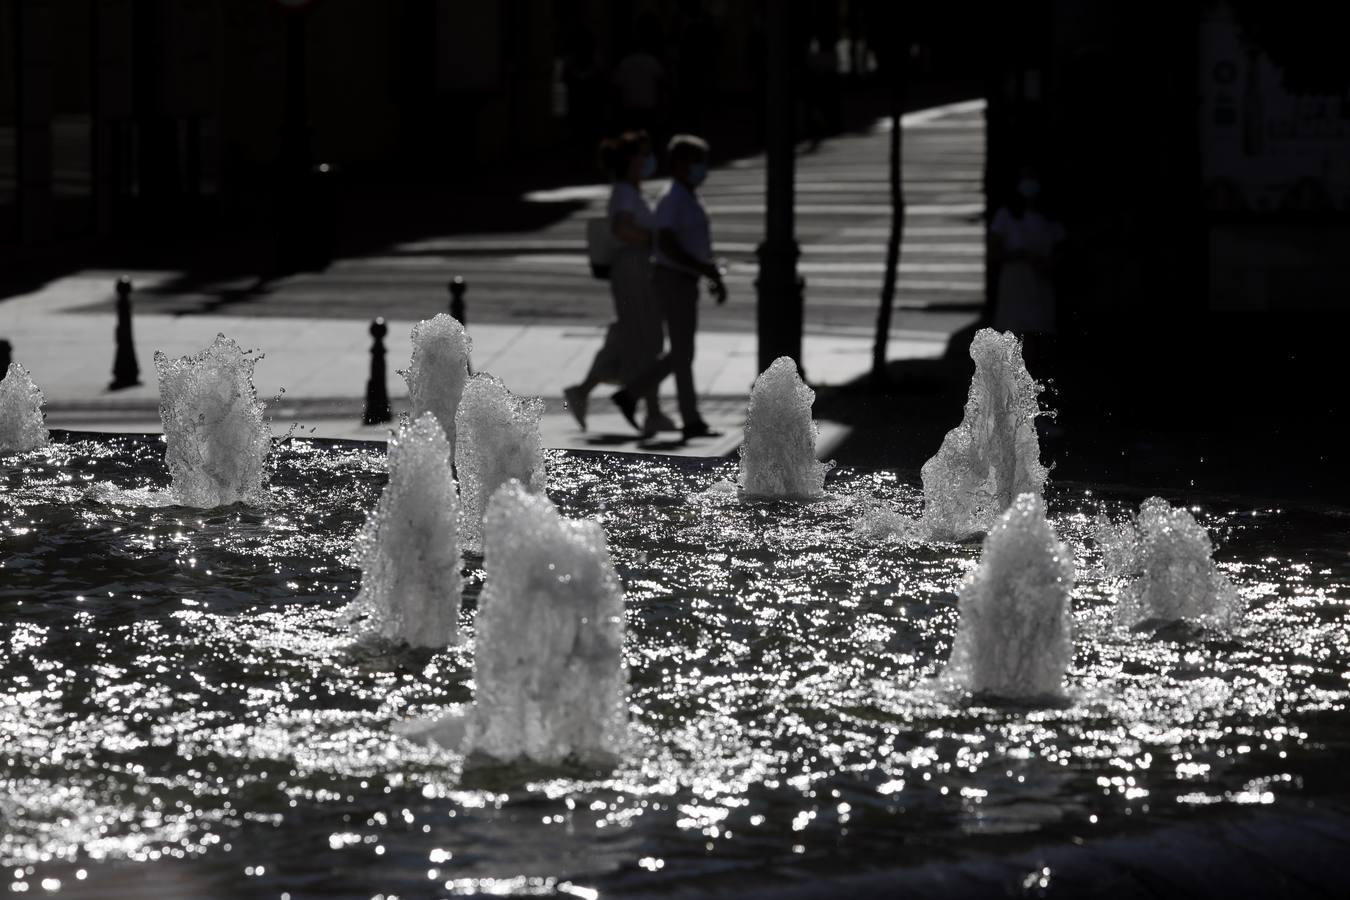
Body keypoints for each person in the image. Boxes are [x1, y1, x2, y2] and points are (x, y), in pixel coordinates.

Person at [612, 134, 726, 441]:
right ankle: (666, 408)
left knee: (682, 353)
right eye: (698, 161)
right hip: (672, 280)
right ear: (680, 164)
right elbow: (668, 242)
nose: (703, 168)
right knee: (682, 353)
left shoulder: (687, 195)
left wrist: (708, 271)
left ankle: (639, 398)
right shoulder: (673, 197)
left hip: (684, 279)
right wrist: (703, 269)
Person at [563, 132, 675, 437]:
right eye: (642, 154)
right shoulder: (625, 192)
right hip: (633, 267)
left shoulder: (632, 191)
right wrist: (654, 239)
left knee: (634, 337)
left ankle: (585, 391)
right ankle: (651, 412)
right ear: (630, 160)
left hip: (636, 267)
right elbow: (621, 227)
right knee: (647, 338)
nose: (648, 159)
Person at [990, 172, 1065, 367]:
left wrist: (1046, 264)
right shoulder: (1007, 215)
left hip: (1040, 285)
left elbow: (1060, 250)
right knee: (1014, 335)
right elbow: (995, 251)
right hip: (1015, 286)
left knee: (1038, 336)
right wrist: (1022, 255)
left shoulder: (1049, 219)